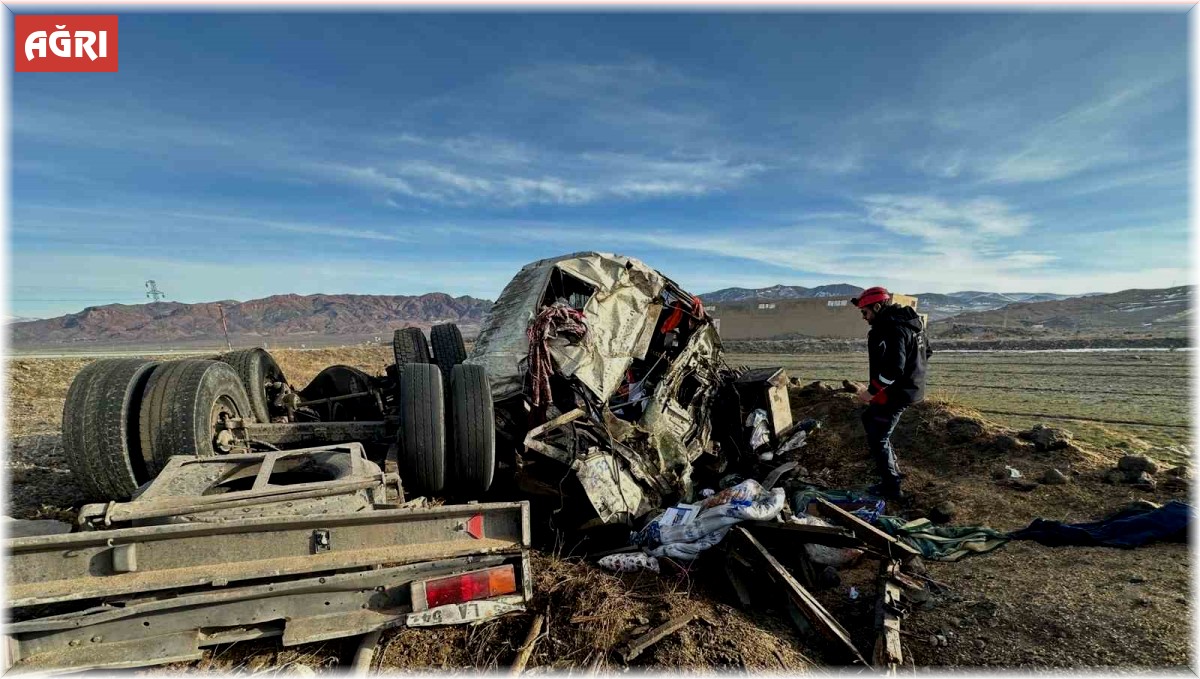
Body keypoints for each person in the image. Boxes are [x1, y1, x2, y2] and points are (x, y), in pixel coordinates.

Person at [850, 286, 931, 500]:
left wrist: (872, 391)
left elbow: (895, 368)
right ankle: (892, 472)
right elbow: (927, 352)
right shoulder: (912, 323)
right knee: (870, 420)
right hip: (905, 389)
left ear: (877, 307)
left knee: (879, 437)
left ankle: (892, 486)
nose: (864, 317)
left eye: (865, 312)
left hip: (896, 394)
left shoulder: (890, 328)